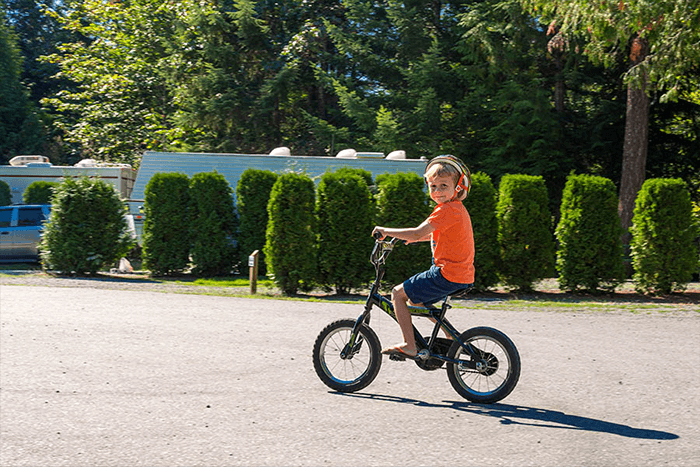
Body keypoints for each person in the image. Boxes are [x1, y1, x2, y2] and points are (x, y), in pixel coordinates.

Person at [372, 155, 475, 358]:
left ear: (458, 187)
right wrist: (414, 240)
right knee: (416, 301)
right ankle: (450, 337)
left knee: (397, 294)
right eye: (433, 186)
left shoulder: (445, 210)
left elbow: (417, 231)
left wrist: (386, 231)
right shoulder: (457, 210)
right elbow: (433, 235)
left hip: (446, 273)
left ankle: (409, 345)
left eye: (443, 185)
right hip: (461, 275)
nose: (437, 191)